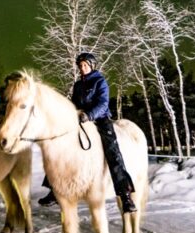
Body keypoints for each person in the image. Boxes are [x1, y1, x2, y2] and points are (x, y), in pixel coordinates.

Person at [38, 53, 137, 213]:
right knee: (63, 148)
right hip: (81, 119)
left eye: (85, 65)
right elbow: (74, 103)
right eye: (80, 66)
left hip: (100, 119)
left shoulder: (100, 81)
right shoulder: (78, 85)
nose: (82, 68)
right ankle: (53, 190)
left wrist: (89, 115)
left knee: (112, 151)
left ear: (91, 66)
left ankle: (125, 195)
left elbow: (103, 103)